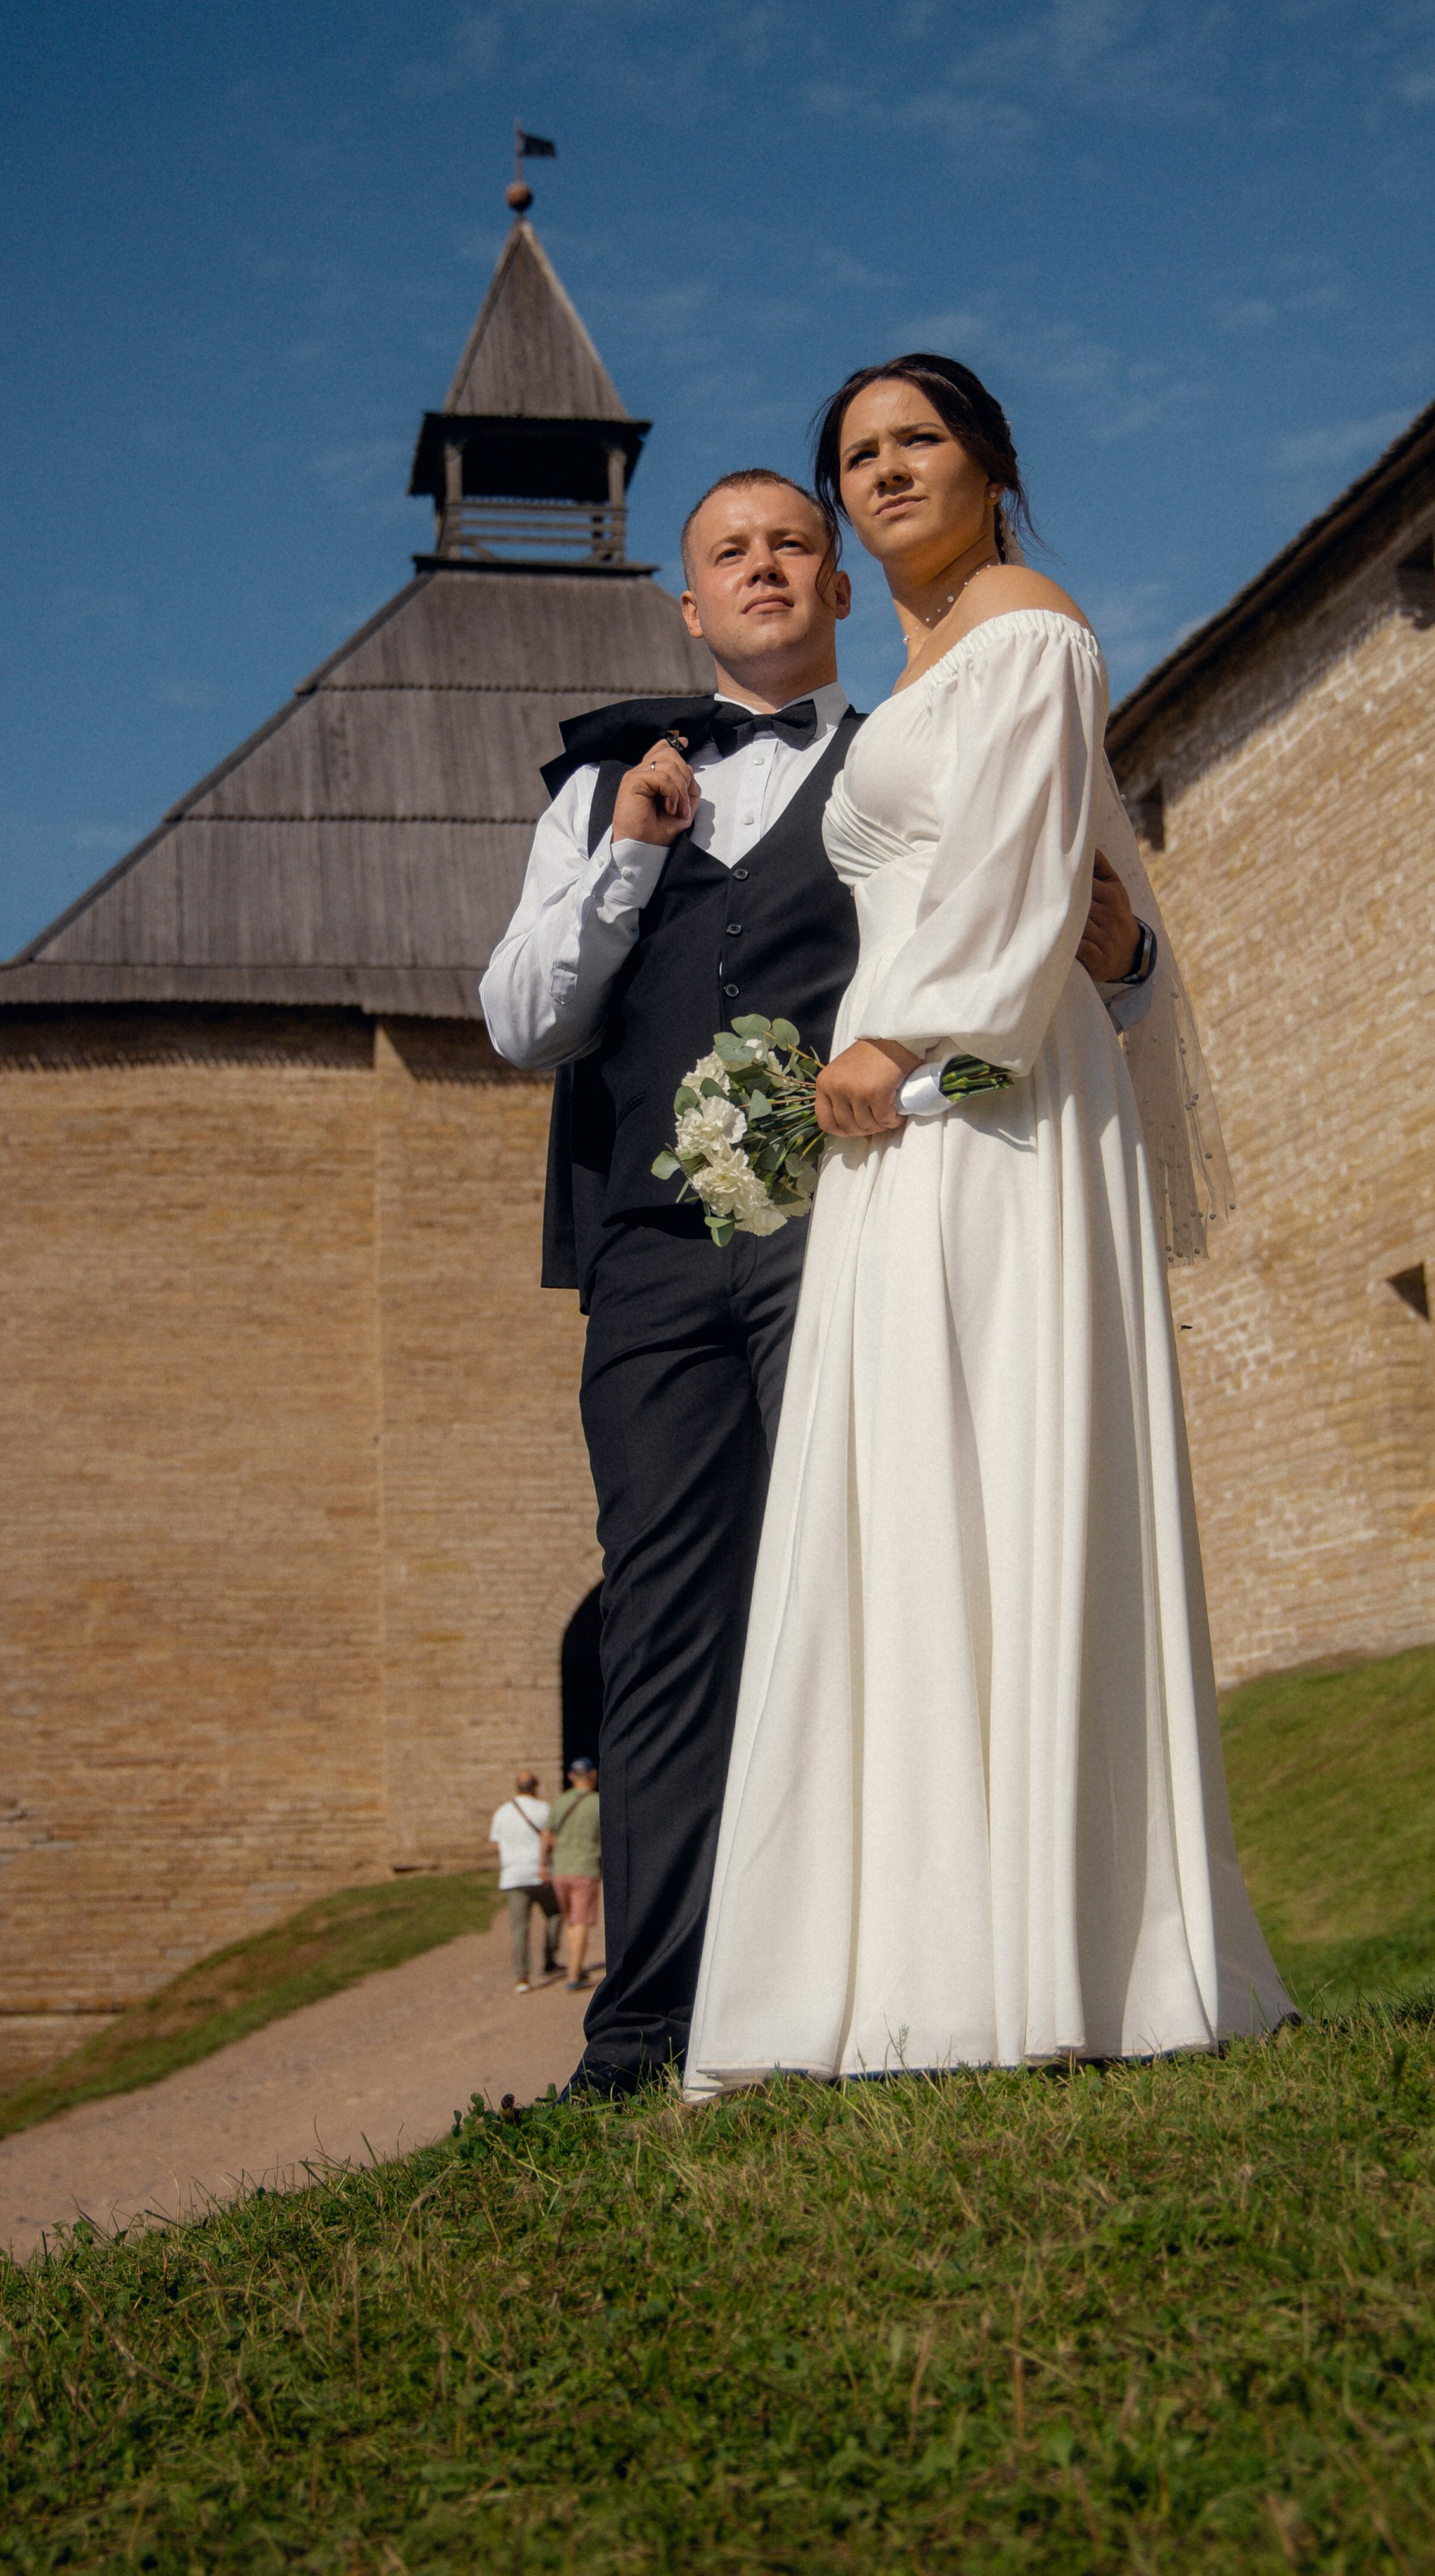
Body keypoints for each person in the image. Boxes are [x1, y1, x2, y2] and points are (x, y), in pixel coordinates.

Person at [481, 466, 1157, 2096]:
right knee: (660, 1628)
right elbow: (519, 1020)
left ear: (840, 588)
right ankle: (643, 2022)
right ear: (688, 602)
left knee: (869, 1586)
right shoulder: (596, 790)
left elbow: (1059, 987)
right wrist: (631, 856)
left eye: (794, 544)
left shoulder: (908, 767)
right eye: (731, 552)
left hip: (846, 1222)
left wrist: (1117, 950)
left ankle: (893, 1985)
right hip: (647, 1259)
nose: (766, 567)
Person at [684, 359, 1292, 2093]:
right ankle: (913, 1953)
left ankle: (1052, 1955)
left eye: (914, 441)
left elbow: (1024, 878)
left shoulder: (1028, 630)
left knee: (997, 1473)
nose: (881, 471)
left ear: (992, 464)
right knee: (905, 1504)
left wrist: (898, 1038)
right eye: (854, 455)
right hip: (907, 1123)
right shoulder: (920, 667)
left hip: (982, 1111)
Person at [486, 1768, 559, 1994]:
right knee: (555, 1913)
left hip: (513, 1876)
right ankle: (549, 1959)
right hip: (539, 1873)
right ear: (535, 1787)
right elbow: (550, 1838)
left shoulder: (502, 1812)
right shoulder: (544, 1809)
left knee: (519, 1927)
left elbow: (495, 1843)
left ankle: (522, 1977)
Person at [542, 1757, 603, 1990]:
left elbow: (547, 1834)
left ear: (570, 1776)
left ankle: (573, 1967)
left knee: (570, 1922)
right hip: (585, 1868)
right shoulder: (598, 1803)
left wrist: (542, 1864)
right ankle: (573, 1976)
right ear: (593, 1775)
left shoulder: (560, 1801)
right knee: (581, 1922)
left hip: (561, 1868)